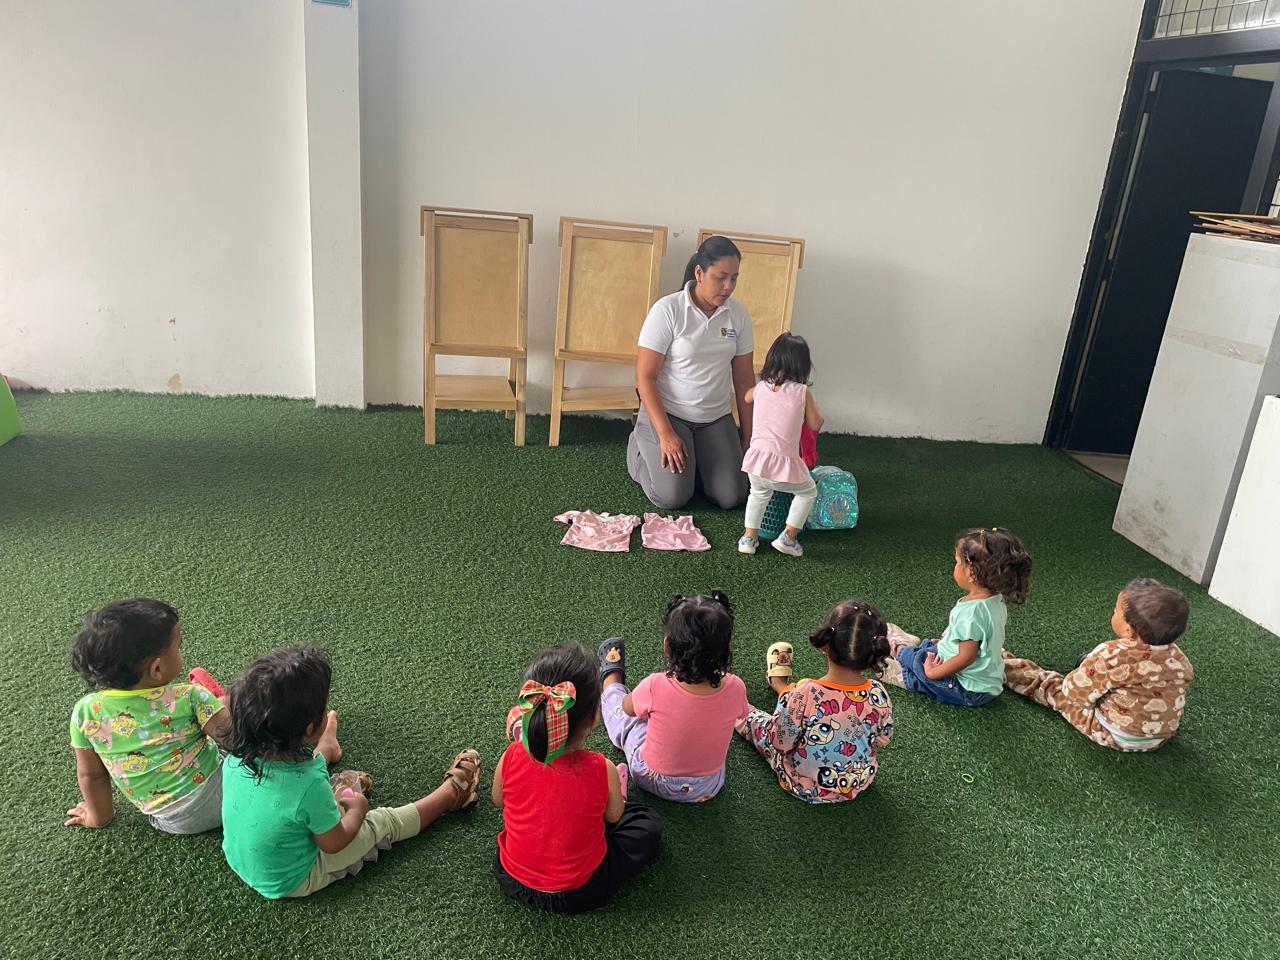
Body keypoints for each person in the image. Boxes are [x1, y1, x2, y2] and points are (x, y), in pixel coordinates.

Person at [220, 647, 480, 899]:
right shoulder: (308, 786)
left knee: (303, 800)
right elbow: (334, 843)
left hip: (246, 863)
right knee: (383, 822)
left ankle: (327, 751)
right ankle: (450, 796)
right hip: (293, 877)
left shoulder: (235, 759)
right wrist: (358, 809)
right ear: (309, 729)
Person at [494, 642, 663, 913]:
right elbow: (614, 817)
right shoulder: (601, 768)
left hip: (513, 879)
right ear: (595, 717)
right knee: (647, 823)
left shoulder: (512, 755)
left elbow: (499, 800)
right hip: (580, 891)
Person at [65, 598, 229, 833]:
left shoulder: (85, 712)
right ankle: (221, 702)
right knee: (235, 711)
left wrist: (97, 818)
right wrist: (225, 708)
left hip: (171, 822)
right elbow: (237, 741)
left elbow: (92, 776)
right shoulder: (188, 696)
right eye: (178, 647)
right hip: (229, 794)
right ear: (157, 669)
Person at [629, 235, 755, 510]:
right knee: (672, 497)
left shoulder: (738, 315)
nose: (728, 286)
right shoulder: (667, 310)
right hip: (670, 415)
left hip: (715, 419)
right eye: (721, 277)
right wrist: (665, 433)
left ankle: (696, 463)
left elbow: (745, 379)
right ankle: (639, 446)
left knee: (733, 496)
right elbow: (644, 377)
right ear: (699, 273)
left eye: (734, 278)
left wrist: (749, 437)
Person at [1003, 578, 1193, 751]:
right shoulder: (1180, 659)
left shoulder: (1111, 655)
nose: (1113, 612)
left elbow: (1072, 693)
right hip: (1159, 737)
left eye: (1115, 611)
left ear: (1128, 630)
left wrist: (1083, 675)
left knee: (1052, 686)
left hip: (1112, 734)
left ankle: (1001, 664)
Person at [735, 599, 895, 804]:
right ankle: (784, 690)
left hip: (804, 785)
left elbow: (780, 742)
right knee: (800, 700)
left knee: (759, 723)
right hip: (857, 781)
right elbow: (884, 738)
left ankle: (766, 694)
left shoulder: (807, 693)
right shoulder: (878, 692)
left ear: (825, 645)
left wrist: (793, 702)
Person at [597, 591, 748, 803]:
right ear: (725, 651)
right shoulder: (736, 687)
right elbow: (742, 713)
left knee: (630, 722)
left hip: (652, 779)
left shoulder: (655, 685)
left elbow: (628, 708)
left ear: (667, 646)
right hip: (708, 785)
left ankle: (611, 683)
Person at [882, 527, 1032, 707]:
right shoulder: (996, 599)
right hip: (987, 682)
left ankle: (901, 661)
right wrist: (948, 642)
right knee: (930, 650)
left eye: (957, 562)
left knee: (920, 665)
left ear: (971, 573)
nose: (955, 567)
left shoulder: (971, 613)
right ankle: (911, 651)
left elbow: (965, 658)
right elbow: (978, 639)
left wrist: (932, 673)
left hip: (966, 688)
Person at [738, 333, 824, 557]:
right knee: (808, 492)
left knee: (758, 494)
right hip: (783, 465)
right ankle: (788, 537)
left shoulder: (761, 387)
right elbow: (815, 423)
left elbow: (747, 397)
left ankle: (749, 538)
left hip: (756, 462)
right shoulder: (802, 392)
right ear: (803, 365)